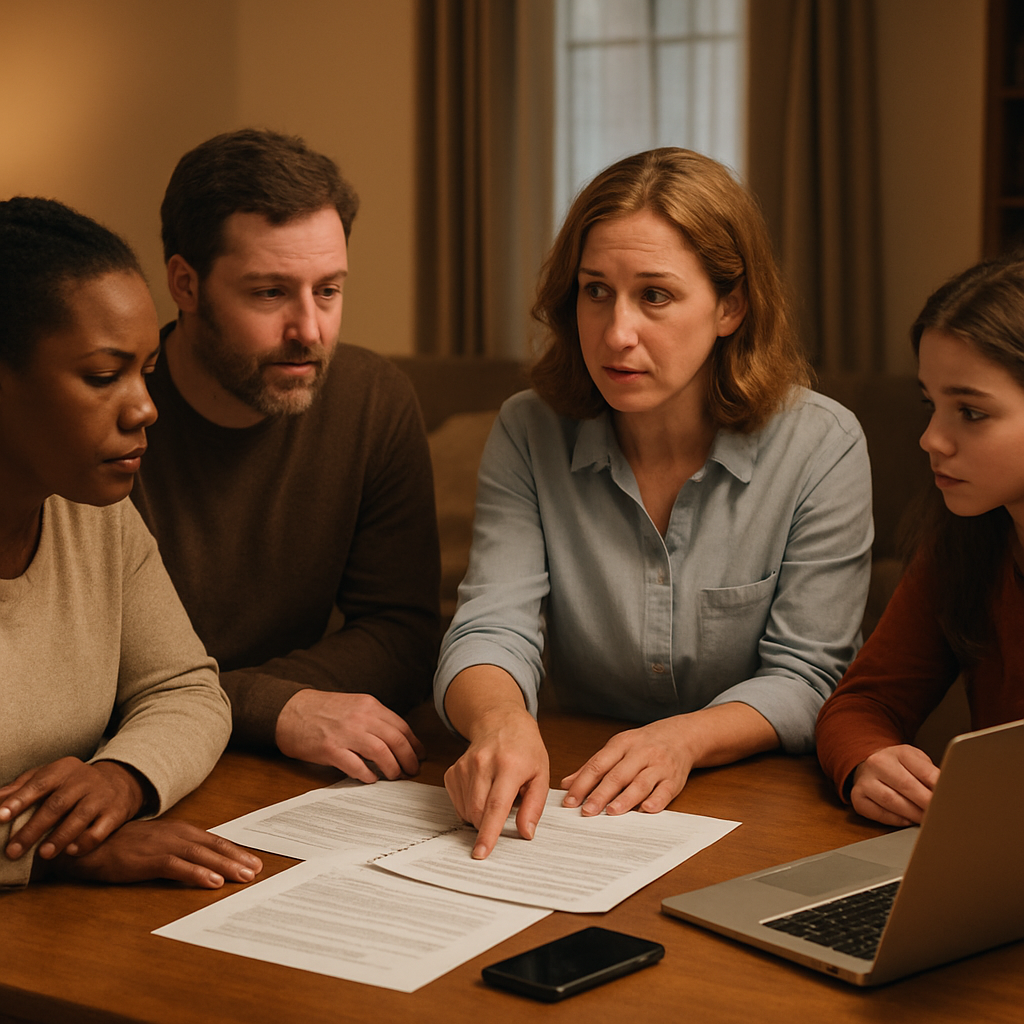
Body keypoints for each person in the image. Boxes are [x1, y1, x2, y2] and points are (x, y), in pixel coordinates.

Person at [436, 148, 873, 858]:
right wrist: (500, 722)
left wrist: (683, 740)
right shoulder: (528, 428)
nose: (616, 334)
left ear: (731, 306)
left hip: (751, 809)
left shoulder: (821, 445)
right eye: (595, 291)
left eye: (656, 295)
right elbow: (491, 624)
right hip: (571, 805)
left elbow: (810, 675)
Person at [131, 129, 440, 781]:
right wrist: (271, 707)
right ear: (185, 285)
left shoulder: (372, 400)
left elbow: (404, 635)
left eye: (328, 290)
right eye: (270, 293)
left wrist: (269, 705)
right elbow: (79, 676)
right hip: (136, 762)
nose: (310, 331)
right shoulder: (113, 422)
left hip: (286, 769)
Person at [0, 197, 262, 889]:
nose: (146, 408)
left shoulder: (98, 514)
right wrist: (53, 848)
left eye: (144, 371)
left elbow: (185, 689)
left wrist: (121, 780)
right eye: (101, 375)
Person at [817, 256, 1024, 827]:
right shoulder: (967, 542)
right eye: (930, 404)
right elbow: (864, 703)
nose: (931, 439)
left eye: (972, 412)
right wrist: (870, 761)